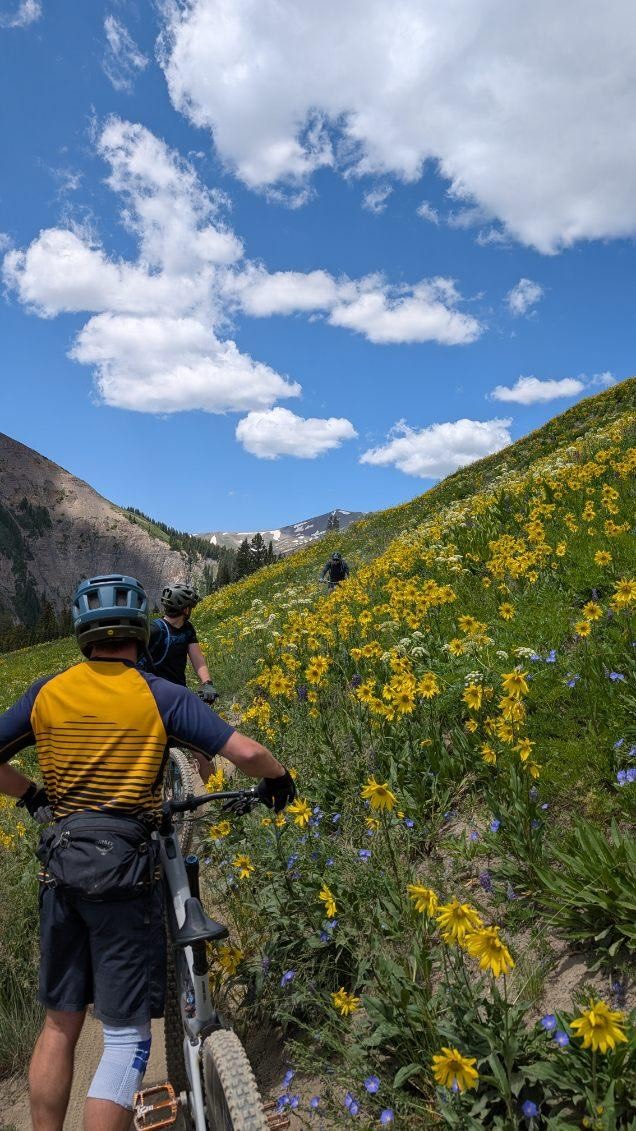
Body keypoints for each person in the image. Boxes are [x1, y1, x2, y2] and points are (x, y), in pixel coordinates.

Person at [0, 573, 296, 1131]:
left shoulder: (46, 691)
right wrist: (280, 779)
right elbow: (248, 752)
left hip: (61, 867)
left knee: (60, 1026)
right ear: (141, 632)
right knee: (123, 1037)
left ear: (83, 635)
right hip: (122, 872)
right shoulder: (159, 693)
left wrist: (33, 795)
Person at [143, 583, 218, 703]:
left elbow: (197, 658)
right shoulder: (155, 629)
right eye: (191, 606)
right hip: (154, 696)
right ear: (185, 609)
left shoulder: (187, 628)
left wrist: (207, 683)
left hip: (179, 693)